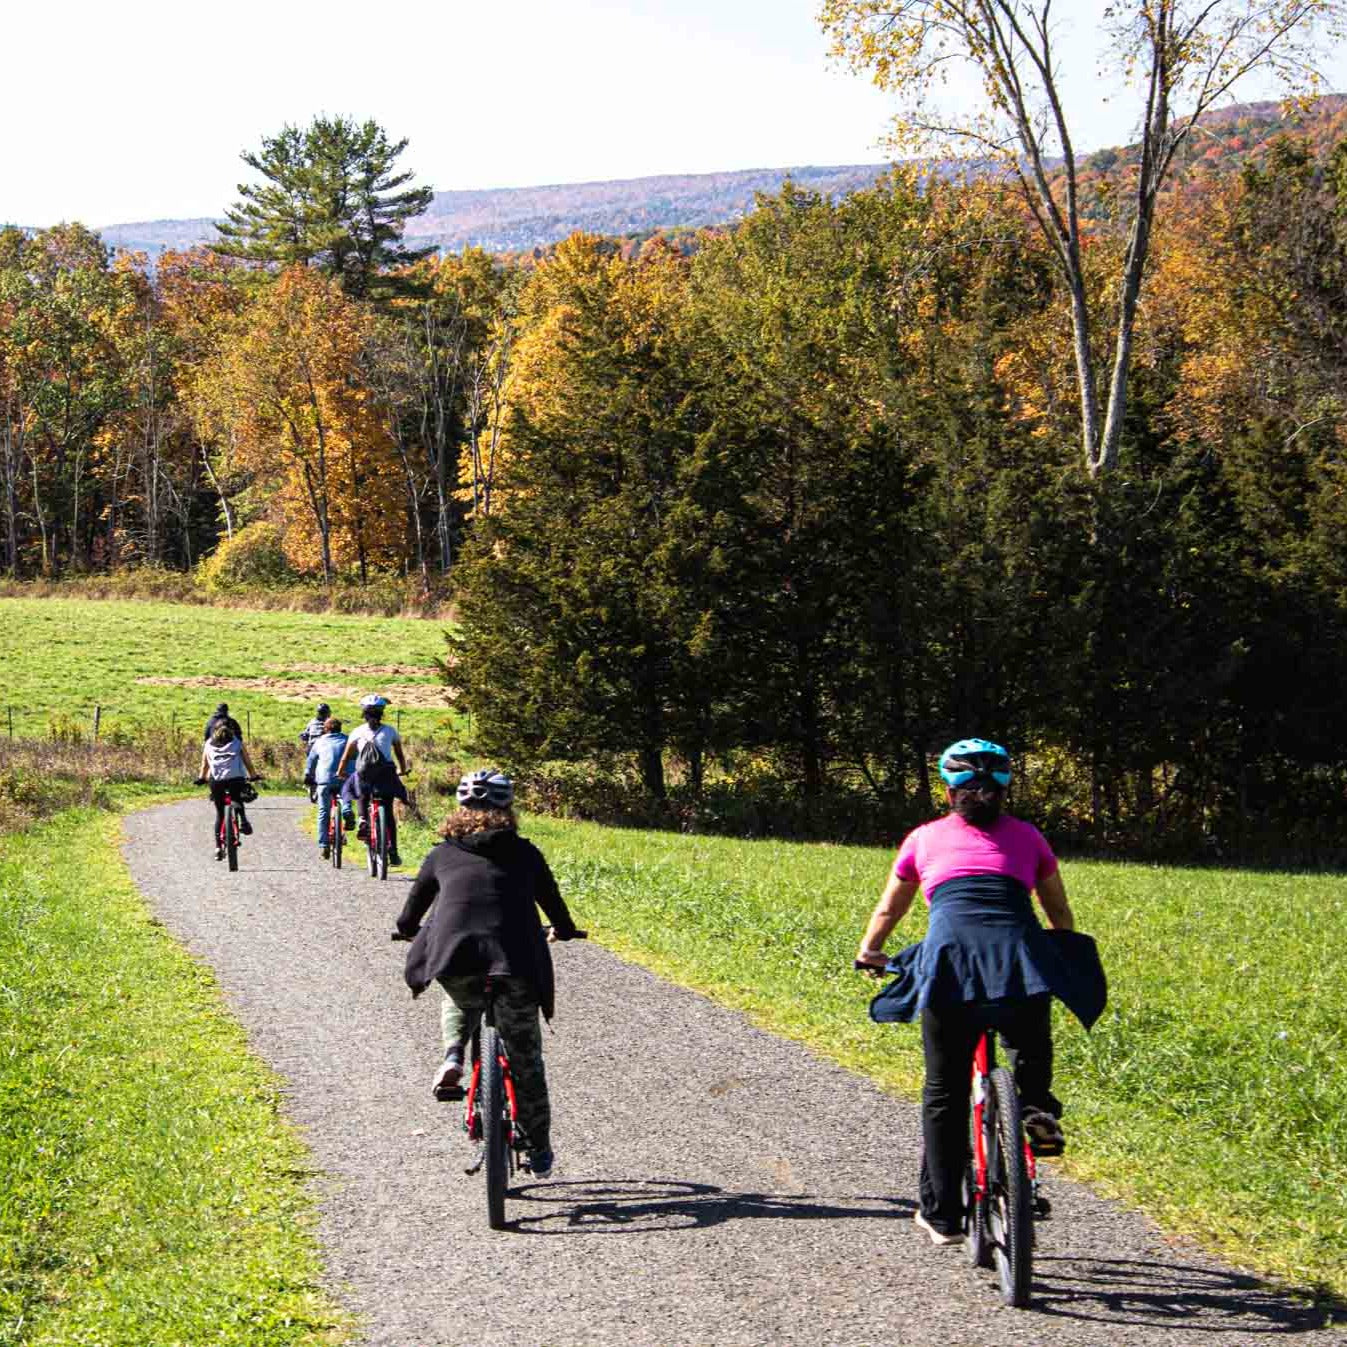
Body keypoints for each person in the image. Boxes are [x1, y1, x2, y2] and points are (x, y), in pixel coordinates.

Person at [855, 738, 1105, 1246]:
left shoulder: (923, 839)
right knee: (1030, 1046)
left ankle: (943, 1216)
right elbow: (1058, 912)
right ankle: (1034, 1106)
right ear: (1004, 789)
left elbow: (889, 910)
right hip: (1018, 962)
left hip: (951, 966)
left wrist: (870, 952)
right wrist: (1057, 951)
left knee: (944, 1091)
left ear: (949, 790)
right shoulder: (1030, 838)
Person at [394, 768, 582, 1178]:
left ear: (460, 808)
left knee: (460, 994)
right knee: (526, 1057)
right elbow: (552, 903)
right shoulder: (526, 852)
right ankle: (539, 1148)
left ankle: (453, 1055)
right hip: (515, 960)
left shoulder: (442, 853)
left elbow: (413, 908)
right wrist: (564, 931)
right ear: (507, 808)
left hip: (456, 952)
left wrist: (405, 931)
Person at [335, 694, 409, 867]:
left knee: (359, 791)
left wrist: (340, 772)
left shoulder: (357, 731)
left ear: (364, 714)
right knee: (388, 812)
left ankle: (362, 819)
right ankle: (393, 852)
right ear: (381, 713)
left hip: (364, 774)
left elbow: (346, 757)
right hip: (386, 774)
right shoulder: (390, 731)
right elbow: (399, 753)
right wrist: (403, 770)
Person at [197, 721, 261, 859]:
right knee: (237, 798)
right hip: (235, 779)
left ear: (214, 731)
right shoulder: (237, 743)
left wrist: (201, 778)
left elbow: (205, 764)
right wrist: (253, 776)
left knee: (220, 814)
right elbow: (247, 761)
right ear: (232, 731)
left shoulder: (209, 744)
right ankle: (243, 821)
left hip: (217, 781)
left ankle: (218, 848)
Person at [304, 716, 352, 859]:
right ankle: (347, 810)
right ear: (340, 728)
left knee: (323, 811)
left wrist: (308, 776)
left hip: (324, 780)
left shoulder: (319, 742)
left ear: (325, 729)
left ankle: (324, 845)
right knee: (346, 794)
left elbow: (311, 761)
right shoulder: (348, 740)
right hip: (345, 777)